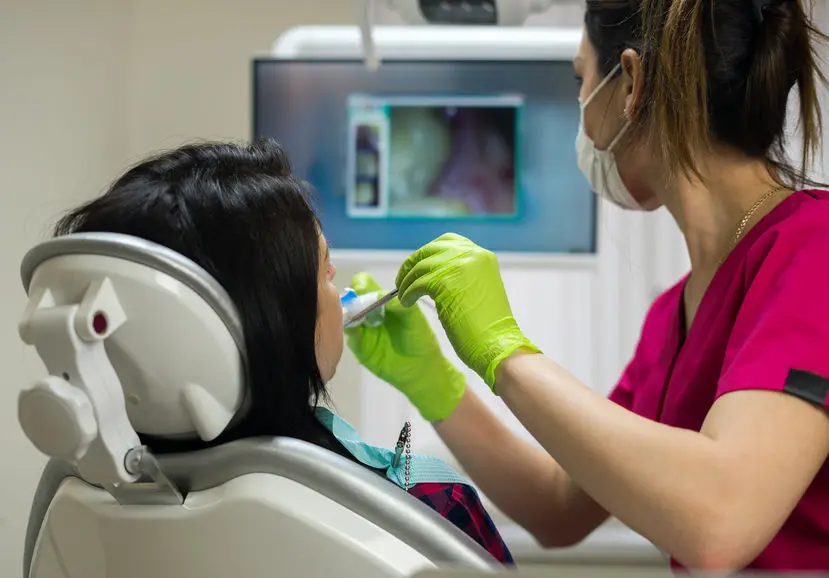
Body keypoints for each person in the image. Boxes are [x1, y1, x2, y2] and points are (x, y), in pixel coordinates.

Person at [346, 0, 829, 572]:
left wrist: (505, 350)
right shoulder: (672, 315)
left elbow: (718, 521)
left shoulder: (814, 250)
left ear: (630, 83)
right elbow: (558, 507)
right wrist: (434, 381)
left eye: (581, 79)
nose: (580, 105)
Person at [52, 139, 513, 563]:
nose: (340, 289)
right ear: (277, 324)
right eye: (326, 274)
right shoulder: (426, 505)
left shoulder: (78, 496)